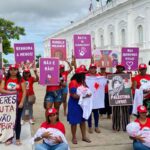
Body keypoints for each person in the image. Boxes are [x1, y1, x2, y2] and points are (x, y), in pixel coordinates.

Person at [0, 64, 26, 145]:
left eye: (15, 69)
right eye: (11, 69)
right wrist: (11, 92)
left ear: (17, 70)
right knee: (9, 121)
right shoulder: (6, 78)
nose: (13, 71)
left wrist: (22, 102)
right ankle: (9, 138)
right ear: (9, 70)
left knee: (17, 121)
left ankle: (17, 138)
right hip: (8, 104)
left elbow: (24, 91)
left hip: (18, 104)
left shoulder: (20, 79)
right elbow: (1, 89)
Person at [67, 67, 91, 144]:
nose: (84, 75)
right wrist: (84, 96)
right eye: (83, 74)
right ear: (79, 74)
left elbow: (87, 89)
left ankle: (84, 136)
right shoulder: (73, 82)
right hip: (74, 105)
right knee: (74, 122)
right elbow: (73, 95)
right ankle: (74, 137)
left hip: (82, 105)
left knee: (82, 121)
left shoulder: (82, 82)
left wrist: (88, 92)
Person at [112, 64, 130, 131]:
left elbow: (129, 85)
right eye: (118, 67)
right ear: (117, 68)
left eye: (121, 67)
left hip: (124, 96)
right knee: (116, 112)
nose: (119, 68)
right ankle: (116, 127)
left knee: (125, 112)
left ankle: (126, 127)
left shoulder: (127, 76)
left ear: (123, 68)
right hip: (115, 97)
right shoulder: (113, 75)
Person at [86, 63, 101, 133]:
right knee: (89, 113)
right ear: (89, 69)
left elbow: (102, 84)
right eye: (91, 68)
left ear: (96, 69)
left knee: (96, 113)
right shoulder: (86, 76)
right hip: (88, 97)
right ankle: (89, 127)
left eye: (94, 68)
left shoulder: (99, 76)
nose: (93, 69)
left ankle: (96, 126)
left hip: (96, 98)